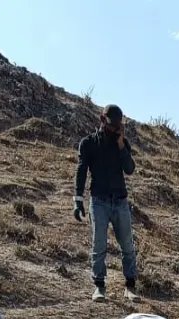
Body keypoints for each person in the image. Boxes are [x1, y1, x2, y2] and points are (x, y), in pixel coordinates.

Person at [74, 104, 138, 303]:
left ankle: (130, 286)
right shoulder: (89, 143)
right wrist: (78, 200)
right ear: (102, 120)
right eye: (111, 125)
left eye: (118, 126)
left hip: (120, 200)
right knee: (99, 244)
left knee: (127, 244)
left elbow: (129, 169)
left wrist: (120, 145)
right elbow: (81, 170)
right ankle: (99, 286)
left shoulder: (122, 143)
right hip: (98, 201)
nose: (114, 129)